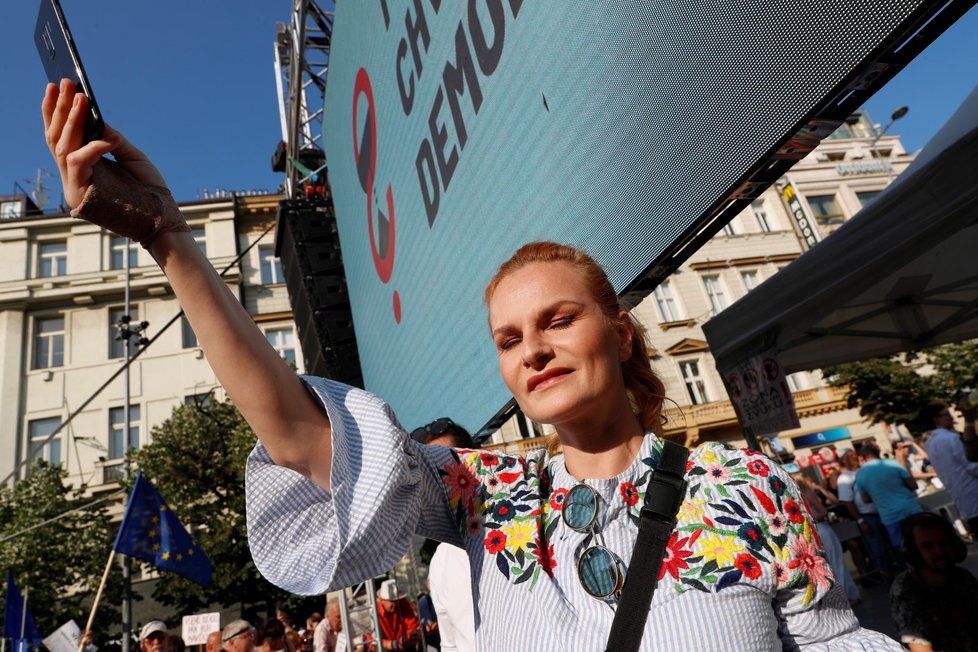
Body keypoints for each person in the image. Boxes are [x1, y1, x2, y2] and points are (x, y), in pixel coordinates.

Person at [42, 80, 902, 649]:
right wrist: (171, 244)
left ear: (622, 331)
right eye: (508, 337)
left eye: (557, 319)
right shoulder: (486, 494)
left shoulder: (744, 484)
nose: (532, 347)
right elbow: (307, 438)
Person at [411, 420, 476, 652]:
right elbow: (450, 645)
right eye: (429, 477)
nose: (441, 485)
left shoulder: (524, 529)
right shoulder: (440, 562)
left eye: (447, 470)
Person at [889, 512, 978, 651]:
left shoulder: (963, 579)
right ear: (915, 553)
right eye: (928, 546)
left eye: (944, 543)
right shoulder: (906, 588)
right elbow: (920, 647)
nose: (939, 551)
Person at [794, 474, 861, 604]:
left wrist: (808, 519)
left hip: (821, 529)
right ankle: (845, 595)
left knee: (835, 563)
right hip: (815, 531)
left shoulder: (807, 495)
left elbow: (823, 512)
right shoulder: (798, 497)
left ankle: (848, 594)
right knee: (828, 565)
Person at [836, 448, 896, 577]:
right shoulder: (844, 478)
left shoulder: (864, 470)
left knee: (893, 543)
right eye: (849, 455)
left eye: (853, 453)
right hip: (868, 516)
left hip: (884, 510)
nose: (854, 456)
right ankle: (888, 575)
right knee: (878, 548)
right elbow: (848, 502)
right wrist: (860, 520)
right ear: (843, 460)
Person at [923, 400, 978, 536]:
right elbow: (972, 465)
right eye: (946, 414)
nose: (951, 417)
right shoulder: (951, 438)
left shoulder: (930, 444)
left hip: (964, 501)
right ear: (936, 419)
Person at [855, 440, 922, 548]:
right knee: (922, 541)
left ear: (863, 457)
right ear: (878, 453)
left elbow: (865, 499)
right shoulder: (893, 464)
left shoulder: (860, 474)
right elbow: (913, 485)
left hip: (890, 516)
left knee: (903, 548)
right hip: (910, 510)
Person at [375, 579, 421, 651]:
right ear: (382, 600)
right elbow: (373, 640)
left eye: (397, 600)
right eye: (392, 601)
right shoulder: (374, 612)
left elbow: (412, 624)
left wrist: (412, 635)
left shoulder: (403, 602)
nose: (395, 604)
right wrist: (393, 644)